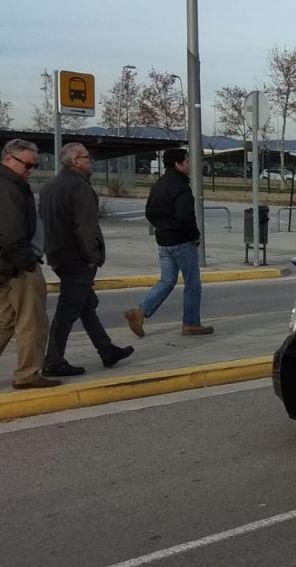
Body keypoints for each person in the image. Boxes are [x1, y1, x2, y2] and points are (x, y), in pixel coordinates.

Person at [39, 143, 133, 376]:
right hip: (77, 258)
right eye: (87, 158)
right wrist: (93, 257)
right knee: (68, 310)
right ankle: (53, 360)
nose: (90, 161)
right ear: (75, 161)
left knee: (86, 305)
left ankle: (106, 349)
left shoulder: (50, 185)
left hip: (58, 254)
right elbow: (86, 226)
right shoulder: (79, 187)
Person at [124, 148, 213, 339]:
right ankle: (191, 323)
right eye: (187, 161)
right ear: (178, 164)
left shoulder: (159, 185)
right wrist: (195, 236)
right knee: (192, 284)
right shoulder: (181, 187)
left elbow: (149, 212)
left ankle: (141, 311)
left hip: (163, 240)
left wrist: (162, 227)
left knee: (166, 280)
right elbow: (185, 217)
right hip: (182, 241)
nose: (189, 164)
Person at [0, 139, 58, 389]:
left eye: (34, 166)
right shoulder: (9, 187)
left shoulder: (12, 183)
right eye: (27, 165)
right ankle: (28, 374)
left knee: (5, 320)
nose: (30, 170)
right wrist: (27, 263)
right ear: (8, 158)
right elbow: (11, 232)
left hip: (7, 264)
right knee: (32, 321)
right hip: (18, 265)